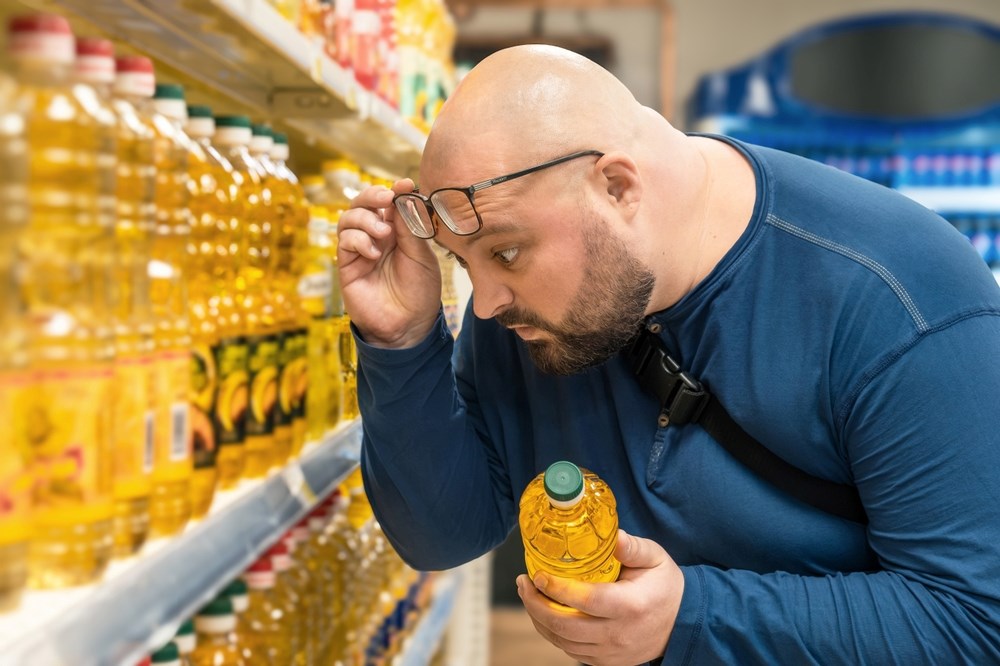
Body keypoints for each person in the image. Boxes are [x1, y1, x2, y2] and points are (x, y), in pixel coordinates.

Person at [336, 44, 1000, 665]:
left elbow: (974, 620)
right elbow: (444, 534)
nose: (484, 301)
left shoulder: (899, 294)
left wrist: (691, 618)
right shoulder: (526, 305)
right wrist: (400, 345)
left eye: (506, 252)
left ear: (618, 187)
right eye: (463, 261)